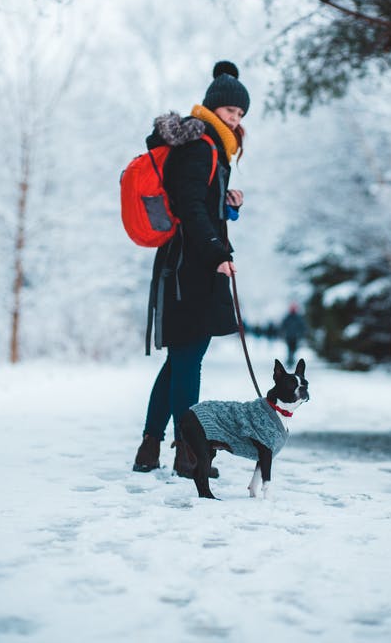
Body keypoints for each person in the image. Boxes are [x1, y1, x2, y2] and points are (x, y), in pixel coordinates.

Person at [133, 60, 250, 477]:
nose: (234, 119)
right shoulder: (200, 146)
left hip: (192, 262)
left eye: (239, 114)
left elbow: (203, 206)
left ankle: (150, 448)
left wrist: (228, 205)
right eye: (229, 111)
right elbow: (189, 207)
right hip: (187, 265)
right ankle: (189, 452)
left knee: (183, 357)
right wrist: (218, 250)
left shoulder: (215, 150)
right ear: (212, 108)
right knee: (189, 357)